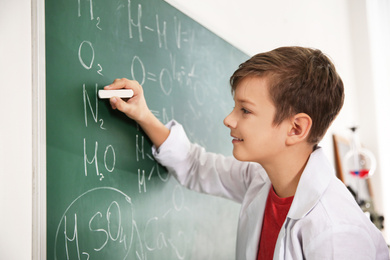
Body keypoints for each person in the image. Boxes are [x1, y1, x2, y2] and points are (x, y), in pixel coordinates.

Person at [105, 47, 389, 260]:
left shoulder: (337, 232)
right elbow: (195, 165)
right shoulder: (263, 179)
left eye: (245, 110)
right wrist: (142, 114)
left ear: (296, 128)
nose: (229, 120)